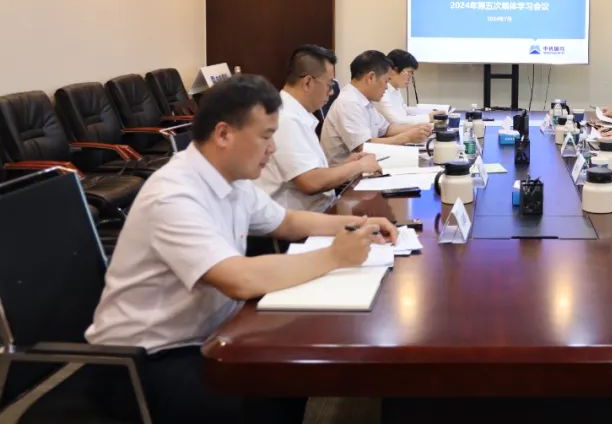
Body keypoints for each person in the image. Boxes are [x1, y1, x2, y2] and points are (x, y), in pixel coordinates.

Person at [85, 74, 397, 424]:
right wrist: (335, 255)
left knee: (290, 368)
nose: (273, 148)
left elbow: (287, 222)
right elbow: (239, 280)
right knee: (271, 388)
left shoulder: (231, 178)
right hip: (144, 361)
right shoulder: (173, 194)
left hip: (209, 334)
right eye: (265, 136)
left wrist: (359, 223)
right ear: (223, 134)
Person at [255, 45, 381, 211]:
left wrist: (344, 166)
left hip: (321, 209)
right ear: (308, 82)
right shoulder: (286, 119)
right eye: (329, 85)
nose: (331, 92)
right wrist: (359, 166)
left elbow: (309, 172)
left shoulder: (298, 114)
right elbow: (310, 182)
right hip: (299, 222)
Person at [321, 50, 432, 166]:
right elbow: (364, 147)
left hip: (363, 166)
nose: (386, 87)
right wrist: (407, 137)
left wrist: (419, 128)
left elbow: (387, 129)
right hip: (347, 174)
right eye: (386, 81)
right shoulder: (349, 102)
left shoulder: (363, 99)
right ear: (371, 78)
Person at [374, 48, 434, 125]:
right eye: (409, 72)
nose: (410, 77)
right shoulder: (382, 91)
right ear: (394, 70)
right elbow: (396, 121)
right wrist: (429, 117)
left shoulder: (395, 88)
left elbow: (404, 110)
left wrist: (431, 112)